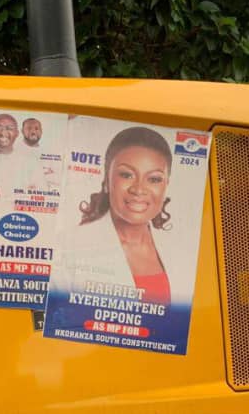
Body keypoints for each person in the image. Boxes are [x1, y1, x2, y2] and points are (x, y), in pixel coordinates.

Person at [72, 126, 176, 304]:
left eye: (154, 179)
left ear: (166, 185)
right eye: (127, 175)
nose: (139, 189)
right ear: (107, 180)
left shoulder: (180, 250)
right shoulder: (71, 246)